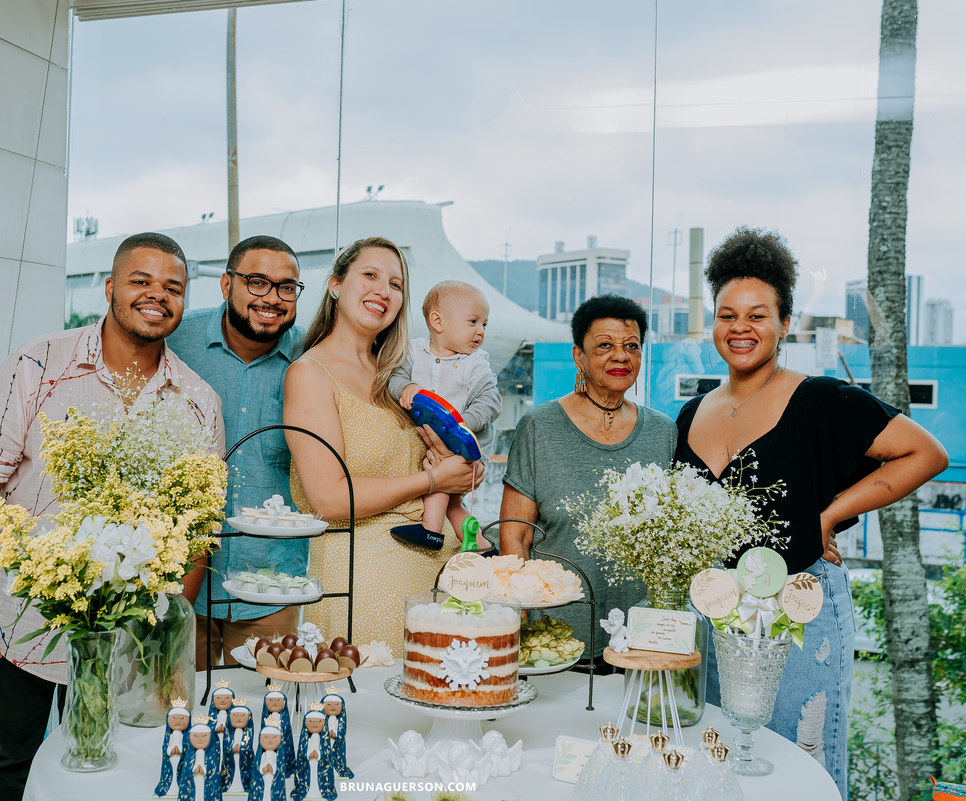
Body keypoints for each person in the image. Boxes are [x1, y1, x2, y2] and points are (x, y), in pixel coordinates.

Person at [675, 226, 947, 799]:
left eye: (758, 315)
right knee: (722, 762)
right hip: (715, 615)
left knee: (802, 765)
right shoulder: (691, 413)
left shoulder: (822, 399)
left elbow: (926, 453)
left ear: (785, 324)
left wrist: (825, 517)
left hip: (800, 612)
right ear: (713, 325)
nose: (741, 328)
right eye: (728, 315)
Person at [0, 233, 223, 800]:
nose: (157, 296)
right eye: (140, 281)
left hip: (128, 641)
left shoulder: (198, 402)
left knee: (111, 774)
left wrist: (165, 638)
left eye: (173, 287)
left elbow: (198, 529)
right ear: (110, 288)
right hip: (17, 624)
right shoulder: (39, 364)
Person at [284, 237, 483, 655]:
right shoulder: (310, 374)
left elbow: (441, 460)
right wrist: (432, 478)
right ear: (336, 284)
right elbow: (328, 498)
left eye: (396, 285)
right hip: (367, 587)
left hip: (440, 583)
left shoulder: (400, 377)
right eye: (370, 275)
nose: (383, 291)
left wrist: (462, 470)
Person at [498, 294, 677, 644]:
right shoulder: (540, 426)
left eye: (632, 345)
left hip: (642, 634)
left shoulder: (663, 431)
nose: (621, 356)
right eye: (605, 345)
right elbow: (514, 536)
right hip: (558, 634)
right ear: (579, 355)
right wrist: (519, 619)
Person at [168, 235, 306, 669]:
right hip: (175, 584)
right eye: (257, 282)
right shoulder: (174, 340)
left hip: (273, 588)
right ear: (227, 285)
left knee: (263, 722)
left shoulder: (313, 354)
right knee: (170, 720)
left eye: (287, 287)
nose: (272, 298)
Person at [388, 280, 501, 549]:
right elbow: (395, 378)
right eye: (473, 322)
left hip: (466, 443)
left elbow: (491, 402)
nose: (480, 331)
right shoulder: (415, 352)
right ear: (438, 321)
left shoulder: (475, 363)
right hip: (436, 437)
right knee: (453, 504)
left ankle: (431, 530)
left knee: (439, 472)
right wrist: (407, 387)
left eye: (484, 324)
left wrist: (463, 425)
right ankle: (484, 545)